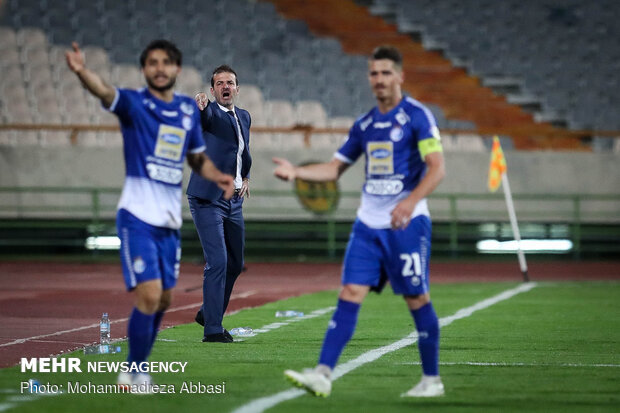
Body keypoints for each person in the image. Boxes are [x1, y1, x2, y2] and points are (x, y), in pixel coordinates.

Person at [273, 45, 446, 398]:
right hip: (368, 225)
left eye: (385, 72)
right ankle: (322, 373)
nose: (379, 79)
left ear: (400, 76)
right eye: (373, 73)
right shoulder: (364, 124)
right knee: (349, 292)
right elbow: (335, 168)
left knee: (416, 298)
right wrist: (296, 172)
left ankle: (431, 380)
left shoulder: (417, 117)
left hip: (405, 226)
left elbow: (437, 168)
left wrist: (410, 203)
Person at [65, 40, 234, 390]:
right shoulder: (133, 103)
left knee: (164, 299)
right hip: (137, 217)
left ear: (176, 69)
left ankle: (137, 369)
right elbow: (103, 89)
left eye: (166, 62)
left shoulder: (187, 112)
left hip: (169, 226)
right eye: (153, 62)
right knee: (150, 294)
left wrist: (217, 175)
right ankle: (133, 372)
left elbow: (196, 156)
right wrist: (82, 71)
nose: (160, 67)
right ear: (144, 70)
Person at [187, 65, 252, 343]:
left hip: (233, 200)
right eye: (220, 83)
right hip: (207, 199)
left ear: (237, 88)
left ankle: (207, 312)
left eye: (230, 82)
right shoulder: (211, 113)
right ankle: (212, 329)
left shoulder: (245, 117)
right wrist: (200, 103)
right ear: (213, 90)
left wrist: (245, 176)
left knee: (235, 263)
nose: (226, 86)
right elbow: (201, 116)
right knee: (218, 261)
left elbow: (242, 151)